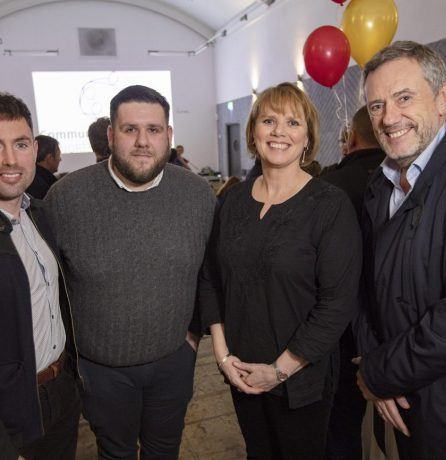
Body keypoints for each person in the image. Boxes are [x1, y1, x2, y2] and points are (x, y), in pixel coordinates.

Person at [45, 85, 215, 460]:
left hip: (174, 362)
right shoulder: (66, 197)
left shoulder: (198, 195)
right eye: (129, 129)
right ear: (111, 135)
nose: (142, 141)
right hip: (101, 373)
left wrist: (192, 336)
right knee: (115, 453)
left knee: (164, 451)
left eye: (153, 129)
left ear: (168, 135)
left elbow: (210, 273)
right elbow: (49, 285)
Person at [200, 82, 362, 459]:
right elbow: (211, 280)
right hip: (241, 371)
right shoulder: (233, 200)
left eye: (292, 122)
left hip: (300, 379)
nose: (279, 131)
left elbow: (337, 304)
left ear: (308, 138)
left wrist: (278, 371)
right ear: (253, 131)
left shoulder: (329, 205)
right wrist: (223, 358)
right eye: (269, 120)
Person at [355, 41, 446, 460]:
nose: (389, 118)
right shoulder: (378, 185)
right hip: (403, 404)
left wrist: (379, 374)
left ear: (442, 97)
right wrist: (372, 363)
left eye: (403, 98)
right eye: (376, 106)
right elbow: (364, 287)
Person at [0, 92, 81, 459]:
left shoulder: (41, 216)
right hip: (12, 412)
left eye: (19, 144)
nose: (9, 159)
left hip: (60, 391)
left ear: (33, 150)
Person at [322, 106, 385, 460]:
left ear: (352, 138)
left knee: (340, 423)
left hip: (339, 330)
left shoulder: (328, 187)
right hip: (394, 329)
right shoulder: (405, 179)